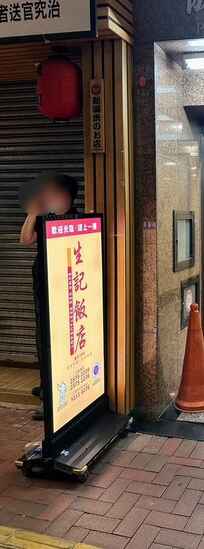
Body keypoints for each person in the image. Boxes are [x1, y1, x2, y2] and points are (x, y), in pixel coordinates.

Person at [19, 172, 79, 421]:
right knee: (43, 338)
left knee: (62, 340)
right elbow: (26, 240)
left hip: (65, 289)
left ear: (69, 196)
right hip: (43, 285)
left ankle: (59, 391)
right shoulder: (45, 219)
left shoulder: (77, 220)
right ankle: (47, 390)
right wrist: (33, 212)